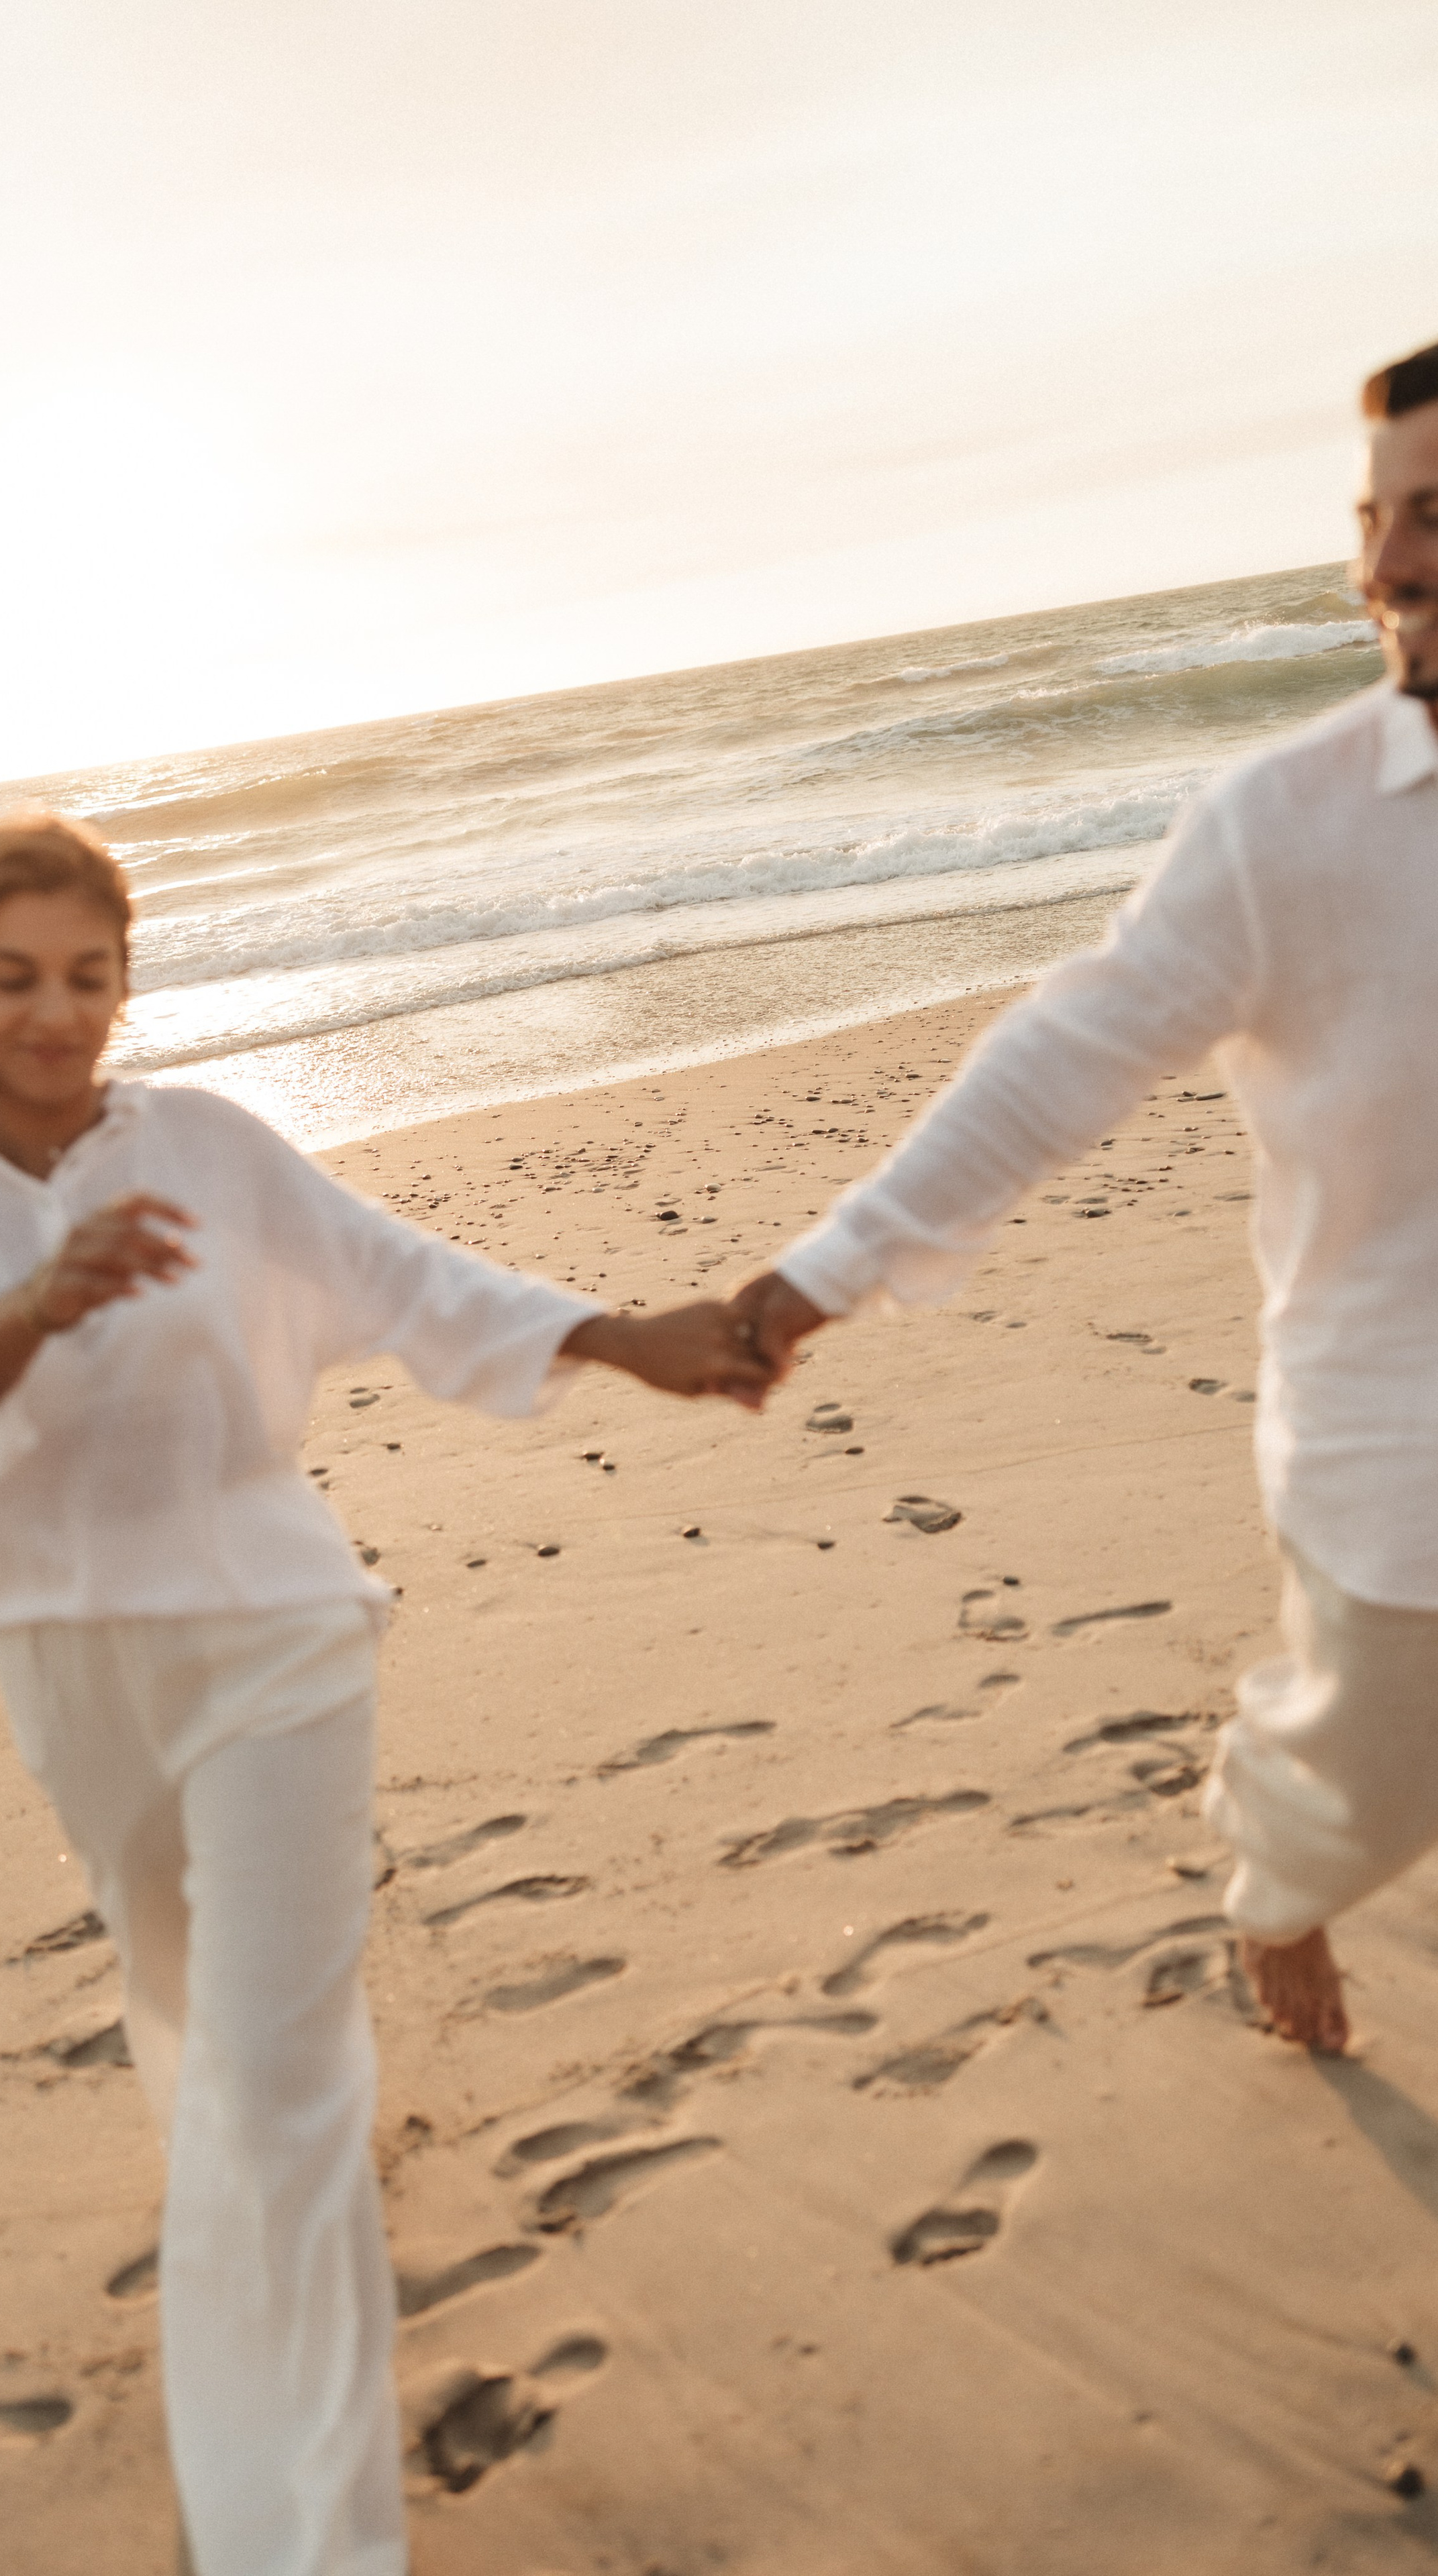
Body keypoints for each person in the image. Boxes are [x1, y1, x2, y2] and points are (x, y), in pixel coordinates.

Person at [0, 812, 770, 2576]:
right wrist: (34, 1302)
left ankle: (307, 2541)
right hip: (75, 1658)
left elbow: (392, 1272)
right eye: (14, 978)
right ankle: (250, 2338)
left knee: (283, 2083)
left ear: (126, 983)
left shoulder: (204, 1143)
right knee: (190, 2027)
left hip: (276, 1630)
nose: (53, 1013)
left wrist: (620, 1337)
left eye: (88, 977)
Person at [729, 337, 1438, 2061]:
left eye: (1428, 515)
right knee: (1368, 1787)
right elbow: (1062, 1059)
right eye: (1370, 519)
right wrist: (820, 1274)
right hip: (1394, 1437)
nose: (1383, 567)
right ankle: (1272, 1864)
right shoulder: (1282, 829)